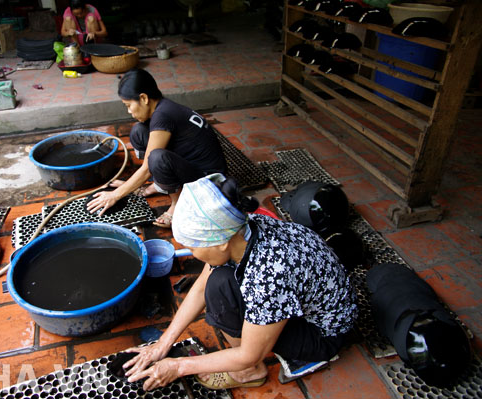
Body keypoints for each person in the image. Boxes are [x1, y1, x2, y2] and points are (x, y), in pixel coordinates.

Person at [120, 174, 358, 391]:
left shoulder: (268, 275)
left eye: (193, 247)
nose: (192, 254)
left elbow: (249, 353)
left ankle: (250, 373)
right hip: (305, 298)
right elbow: (202, 284)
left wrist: (178, 366)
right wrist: (163, 343)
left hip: (322, 333)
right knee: (217, 281)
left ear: (220, 244)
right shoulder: (239, 227)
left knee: (221, 291)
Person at [87, 69, 227, 228]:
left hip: (211, 181)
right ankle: (159, 185)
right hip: (190, 165)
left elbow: (148, 166)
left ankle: (178, 204)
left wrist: (115, 195)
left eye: (128, 105)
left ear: (143, 98)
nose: (129, 111)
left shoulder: (163, 115)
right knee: (139, 131)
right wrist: (133, 184)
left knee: (156, 158)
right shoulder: (163, 108)